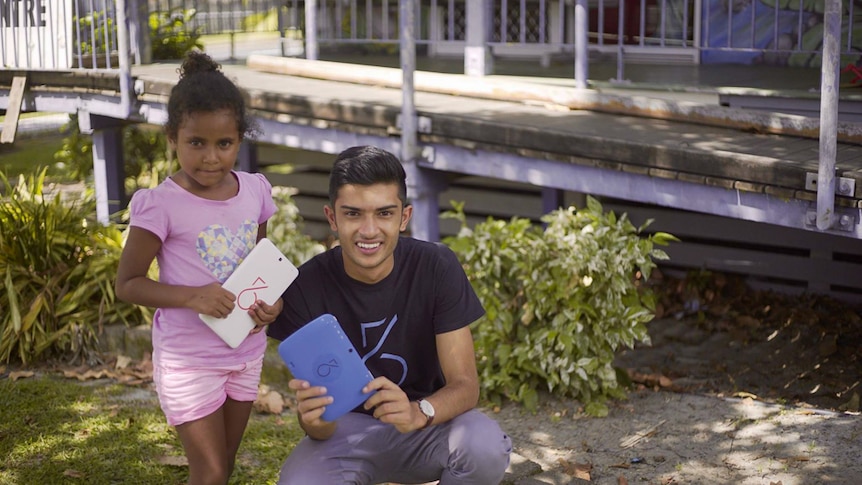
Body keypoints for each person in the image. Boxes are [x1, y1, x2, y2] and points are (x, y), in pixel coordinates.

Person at [268, 145, 512, 484]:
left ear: (404, 217)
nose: (369, 231)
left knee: (484, 446)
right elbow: (317, 425)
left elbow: (466, 386)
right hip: (344, 435)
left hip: (426, 425)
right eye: (353, 214)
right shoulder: (306, 285)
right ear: (332, 218)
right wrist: (314, 421)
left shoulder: (436, 266)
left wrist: (418, 412)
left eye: (384, 213)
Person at [115, 51, 281, 484]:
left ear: (240, 139)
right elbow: (127, 284)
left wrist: (270, 305)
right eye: (197, 143)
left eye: (224, 144)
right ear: (172, 137)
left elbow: (259, 266)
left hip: (244, 354)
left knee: (221, 470)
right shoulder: (161, 205)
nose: (211, 158)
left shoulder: (255, 193)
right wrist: (192, 296)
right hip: (188, 359)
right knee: (208, 473)